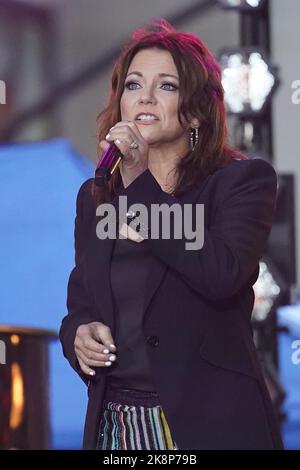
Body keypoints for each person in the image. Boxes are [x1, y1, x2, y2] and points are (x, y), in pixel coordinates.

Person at [59, 18, 284, 450]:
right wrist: (78, 336)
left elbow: (221, 274)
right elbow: (81, 301)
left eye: (165, 86)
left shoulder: (239, 183)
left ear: (197, 108)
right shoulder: (96, 196)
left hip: (207, 422)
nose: (143, 96)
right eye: (133, 85)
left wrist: (140, 183)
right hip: (117, 423)